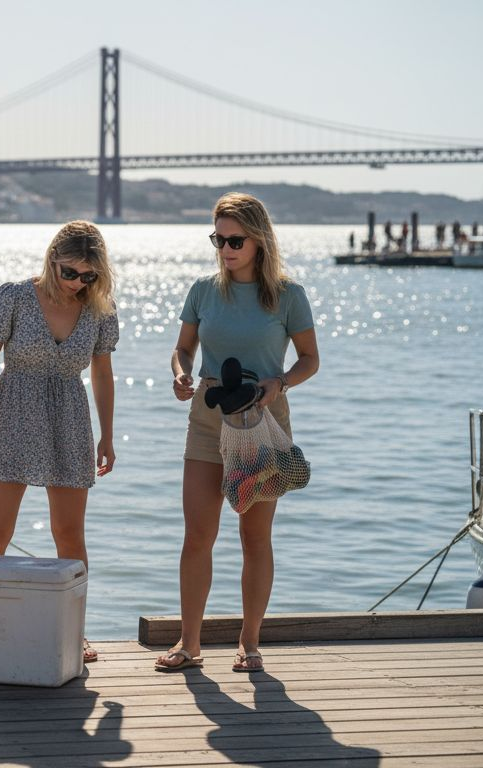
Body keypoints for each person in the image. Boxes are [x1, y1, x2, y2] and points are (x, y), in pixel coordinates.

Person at [156, 192, 319, 674]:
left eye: (234, 239)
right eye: (218, 238)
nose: (224, 248)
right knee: (197, 535)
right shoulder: (203, 290)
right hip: (208, 419)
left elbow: (310, 359)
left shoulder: (289, 295)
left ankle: (249, 643)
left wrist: (282, 381)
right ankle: (190, 644)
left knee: (255, 537)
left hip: (265, 424)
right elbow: (182, 349)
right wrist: (180, 374)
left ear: (258, 240)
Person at [0, 221, 118, 664]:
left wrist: (107, 433)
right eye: (70, 273)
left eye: (89, 276)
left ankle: (75, 633)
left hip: (69, 418)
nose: (78, 283)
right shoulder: (14, 296)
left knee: (70, 535)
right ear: (51, 260)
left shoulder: (99, 309)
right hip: (13, 414)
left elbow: (101, 373)